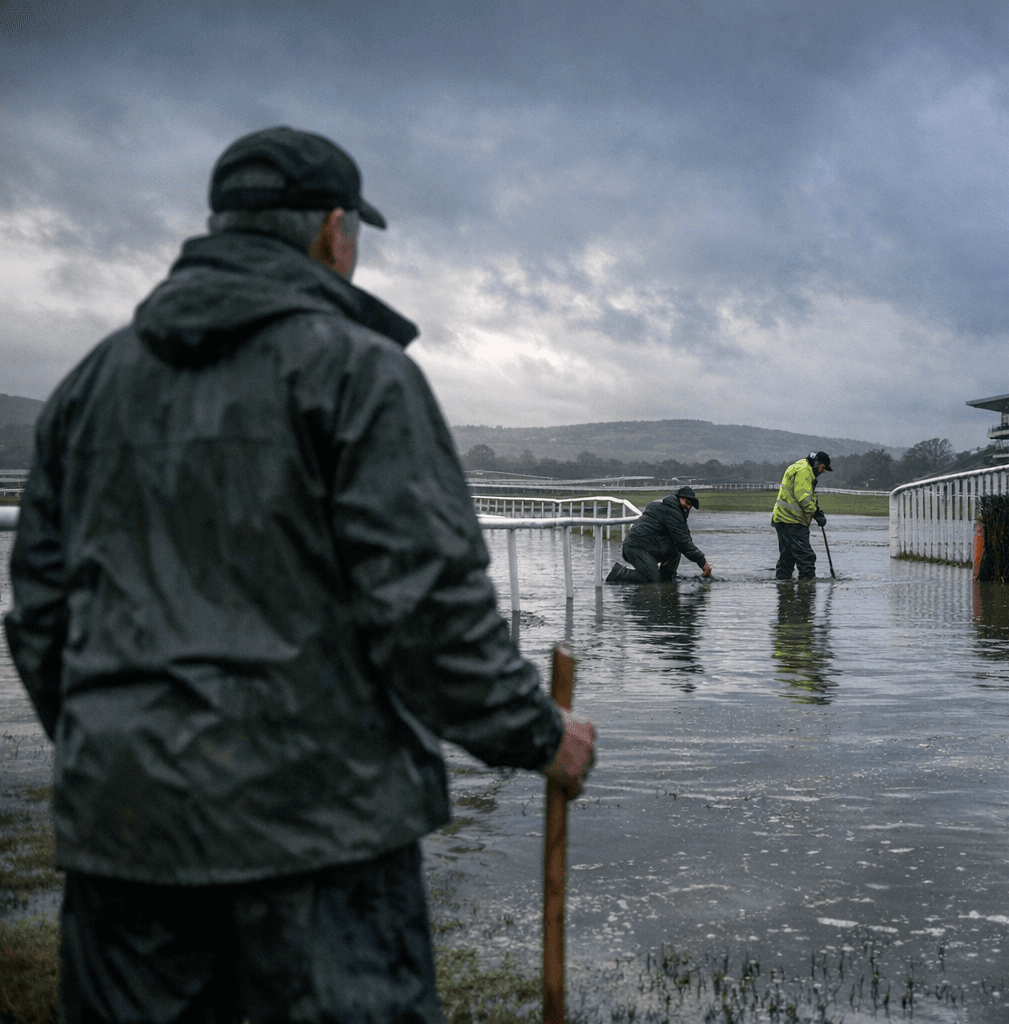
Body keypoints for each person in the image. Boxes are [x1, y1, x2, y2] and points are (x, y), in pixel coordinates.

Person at [4, 126, 596, 1022]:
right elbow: (430, 611)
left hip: (124, 838)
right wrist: (537, 734)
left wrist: (119, 747)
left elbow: (40, 611)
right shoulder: (360, 374)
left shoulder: (88, 387)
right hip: (319, 839)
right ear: (333, 231)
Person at [606, 485, 713, 583]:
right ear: (679, 498)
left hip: (649, 546)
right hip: (636, 547)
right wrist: (703, 563)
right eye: (686, 502)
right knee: (652, 578)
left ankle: (667, 578)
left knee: (675, 550)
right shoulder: (672, 511)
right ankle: (618, 574)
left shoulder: (673, 509)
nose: (687, 506)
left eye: (690, 504)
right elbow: (683, 542)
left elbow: (685, 538)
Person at [772, 451, 832, 579]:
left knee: (787, 557)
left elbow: (804, 496)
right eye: (823, 468)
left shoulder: (800, 466)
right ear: (818, 464)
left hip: (782, 519)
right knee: (806, 557)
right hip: (793, 521)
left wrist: (816, 510)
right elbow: (804, 498)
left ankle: (784, 589)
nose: (822, 472)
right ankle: (807, 590)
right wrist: (817, 514)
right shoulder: (805, 471)